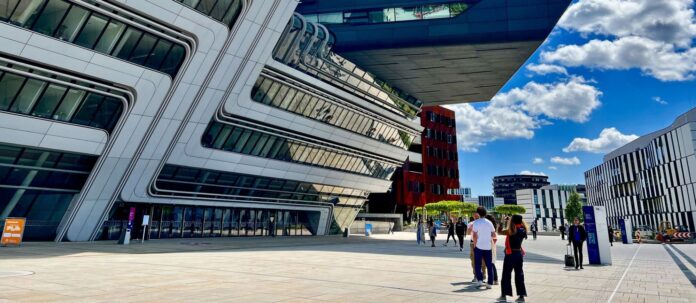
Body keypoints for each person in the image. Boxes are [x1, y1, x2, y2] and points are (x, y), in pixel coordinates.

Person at [497, 214, 528, 302]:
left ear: (513, 221)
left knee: (506, 275)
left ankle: (503, 295)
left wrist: (502, 221)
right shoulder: (523, 230)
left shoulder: (511, 231)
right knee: (519, 275)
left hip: (510, 255)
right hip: (519, 254)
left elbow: (499, 231)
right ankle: (521, 296)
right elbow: (517, 226)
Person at [472, 207, 496, 288]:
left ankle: (480, 280)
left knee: (477, 264)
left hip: (479, 246)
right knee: (489, 265)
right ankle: (489, 283)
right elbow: (494, 234)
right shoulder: (489, 222)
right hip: (488, 247)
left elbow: (474, 236)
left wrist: (475, 246)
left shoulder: (476, 222)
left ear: (478, 213)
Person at [468, 214, 486, 281]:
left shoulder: (484, 223)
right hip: (473, 243)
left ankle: (483, 275)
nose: (476, 218)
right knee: (473, 260)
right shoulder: (471, 224)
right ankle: (475, 275)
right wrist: (472, 226)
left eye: (477, 217)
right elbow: (468, 232)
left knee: (483, 259)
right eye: (475, 217)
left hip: (482, 243)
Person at [485, 214, 499, 285]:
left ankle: (494, 279)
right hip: (492, 246)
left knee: (491, 263)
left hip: (490, 247)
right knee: (491, 263)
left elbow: (494, 238)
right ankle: (495, 279)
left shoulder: (490, 229)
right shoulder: (492, 228)